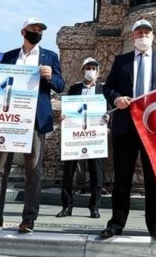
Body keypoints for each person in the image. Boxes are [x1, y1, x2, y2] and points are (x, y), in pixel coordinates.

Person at [0, 17, 64, 233]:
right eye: (34, 29)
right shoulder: (10, 56)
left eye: (40, 29)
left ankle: (28, 218)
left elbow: (60, 85)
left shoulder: (49, 56)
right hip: (9, 118)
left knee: (34, 169)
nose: (38, 32)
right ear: (23, 32)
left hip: (34, 119)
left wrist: (51, 77)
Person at [99, 19, 156, 239]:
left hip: (154, 128)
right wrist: (116, 99)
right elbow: (109, 88)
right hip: (126, 125)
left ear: (153, 35)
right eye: (138, 32)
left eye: (146, 31)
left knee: (154, 179)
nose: (143, 35)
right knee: (122, 178)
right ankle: (116, 224)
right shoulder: (121, 61)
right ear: (133, 36)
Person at [57, 57, 105, 219]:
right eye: (88, 68)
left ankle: (94, 207)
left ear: (99, 72)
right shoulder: (74, 88)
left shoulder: (103, 90)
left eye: (93, 68)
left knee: (96, 172)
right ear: (82, 70)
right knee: (69, 171)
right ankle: (67, 206)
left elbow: (110, 110)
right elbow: (68, 108)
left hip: (95, 135)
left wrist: (108, 121)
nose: (90, 71)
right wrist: (64, 117)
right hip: (75, 135)